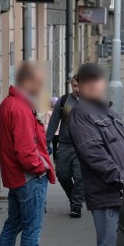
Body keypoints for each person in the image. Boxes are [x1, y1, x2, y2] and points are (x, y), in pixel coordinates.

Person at [0, 62, 59, 246]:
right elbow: (25, 150)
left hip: (16, 177)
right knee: (32, 229)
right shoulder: (19, 107)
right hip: (28, 177)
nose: (42, 86)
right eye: (40, 82)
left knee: (13, 224)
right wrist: (40, 168)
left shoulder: (9, 103)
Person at [69, 63, 124, 246]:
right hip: (107, 193)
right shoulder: (81, 113)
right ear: (78, 85)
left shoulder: (107, 113)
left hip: (120, 191)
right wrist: (122, 178)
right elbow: (93, 154)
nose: (94, 84)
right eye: (87, 80)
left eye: (98, 80)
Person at [46, 77, 84, 218]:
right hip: (64, 145)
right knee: (62, 175)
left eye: (79, 86)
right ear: (71, 85)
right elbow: (53, 124)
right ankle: (74, 197)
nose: (77, 89)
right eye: (74, 86)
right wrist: (46, 143)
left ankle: (76, 205)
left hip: (82, 147)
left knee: (80, 177)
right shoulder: (63, 101)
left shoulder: (90, 102)